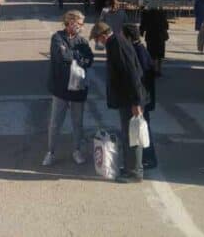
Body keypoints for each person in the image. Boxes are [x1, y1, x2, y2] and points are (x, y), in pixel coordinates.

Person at [90, 21, 146, 183]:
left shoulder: (116, 45)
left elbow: (132, 74)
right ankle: (130, 167)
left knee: (133, 136)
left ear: (102, 36)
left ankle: (135, 172)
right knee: (129, 134)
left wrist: (135, 102)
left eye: (97, 39)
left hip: (130, 99)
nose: (97, 43)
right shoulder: (116, 43)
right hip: (127, 98)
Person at [43, 10, 94, 167]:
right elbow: (61, 56)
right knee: (55, 123)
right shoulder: (57, 37)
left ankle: (77, 150)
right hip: (61, 87)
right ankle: (50, 152)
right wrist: (78, 56)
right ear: (69, 22)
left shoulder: (83, 41)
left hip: (78, 88)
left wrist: (72, 55)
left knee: (77, 123)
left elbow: (89, 60)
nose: (81, 27)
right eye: (78, 23)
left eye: (81, 24)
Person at [124, 25, 157, 169]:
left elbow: (142, 77)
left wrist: (140, 100)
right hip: (144, 97)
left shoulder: (138, 51)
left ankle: (149, 158)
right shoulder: (139, 49)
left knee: (143, 129)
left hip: (142, 98)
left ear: (129, 37)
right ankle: (145, 157)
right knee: (142, 128)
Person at [140, 6, 169, 77]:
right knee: (160, 55)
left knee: (151, 54)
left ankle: (153, 70)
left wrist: (141, 32)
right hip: (160, 36)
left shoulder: (146, 13)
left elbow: (143, 25)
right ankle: (159, 70)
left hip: (150, 36)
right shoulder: (162, 13)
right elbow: (166, 26)